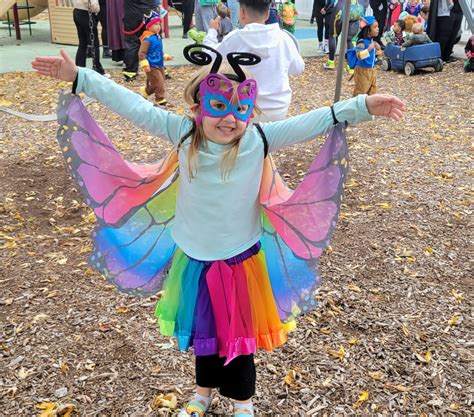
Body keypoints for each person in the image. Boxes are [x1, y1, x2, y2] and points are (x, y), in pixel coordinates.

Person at [32, 45, 404, 417]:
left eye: (240, 110)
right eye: (219, 108)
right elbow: (134, 107)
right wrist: (81, 76)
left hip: (239, 261)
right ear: (197, 110)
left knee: (239, 338)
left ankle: (243, 401)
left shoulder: (257, 140)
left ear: (250, 112)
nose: (230, 119)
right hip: (194, 259)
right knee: (204, 334)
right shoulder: (183, 135)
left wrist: (363, 106)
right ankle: (202, 392)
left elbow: (313, 120)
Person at [203, 0, 304, 122]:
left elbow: (209, 58)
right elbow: (298, 69)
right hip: (279, 108)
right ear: (267, 14)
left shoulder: (235, 38)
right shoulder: (284, 38)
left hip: (245, 109)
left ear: (242, 12)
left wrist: (212, 31)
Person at [138, 10, 173, 105]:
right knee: (159, 82)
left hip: (159, 63)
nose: (158, 26)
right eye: (155, 24)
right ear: (149, 26)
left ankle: (146, 91)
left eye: (159, 24)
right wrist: (145, 64)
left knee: (156, 82)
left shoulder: (157, 37)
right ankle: (160, 99)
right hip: (151, 64)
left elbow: (158, 50)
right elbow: (142, 53)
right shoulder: (147, 39)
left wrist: (166, 56)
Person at [122, 0, 157, 82]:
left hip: (132, 13)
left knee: (132, 43)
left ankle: (130, 71)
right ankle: (157, 69)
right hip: (149, 11)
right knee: (152, 42)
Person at [324, 0, 362, 72]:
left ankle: (331, 61)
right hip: (355, 8)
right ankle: (351, 66)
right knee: (350, 40)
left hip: (341, 7)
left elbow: (330, 1)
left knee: (333, 35)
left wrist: (326, 8)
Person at [72, 0, 105, 75]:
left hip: (77, 10)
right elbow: (89, 2)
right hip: (86, 12)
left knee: (83, 43)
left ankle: (79, 67)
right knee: (94, 43)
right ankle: (98, 69)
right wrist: (96, 9)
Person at [352, 16, 381, 96]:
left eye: (377, 26)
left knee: (372, 92)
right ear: (368, 30)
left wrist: (378, 50)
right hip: (362, 70)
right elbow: (359, 56)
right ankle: (355, 107)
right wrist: (369, 49)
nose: (378, 29)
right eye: (375, 27)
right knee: (360, 93)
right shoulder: (362, 42)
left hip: (371, 70)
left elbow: (375, 55)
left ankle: (369, 107)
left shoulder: (371, 41)